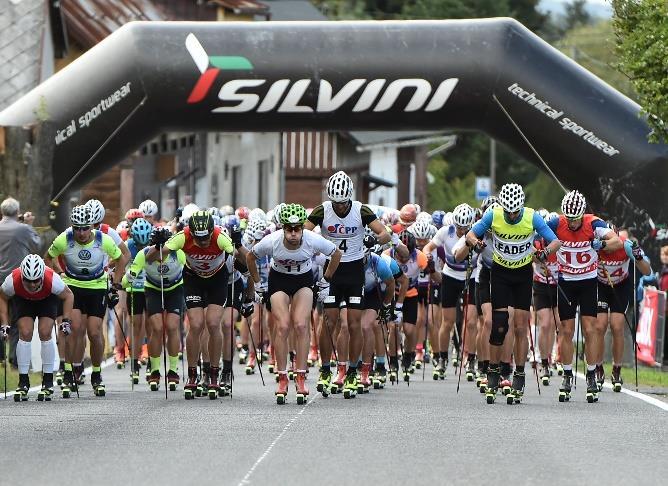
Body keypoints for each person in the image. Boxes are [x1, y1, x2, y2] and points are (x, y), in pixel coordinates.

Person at [466, 183, 561, 404]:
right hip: (500, 273)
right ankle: (493, 373)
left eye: (514, 211)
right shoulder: (493, 214)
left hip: (522, 274)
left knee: (520, 326)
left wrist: (544, 252)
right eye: (508, 211)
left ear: (521, 206)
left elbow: (556, 241)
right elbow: (471, 234)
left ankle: (519, 374)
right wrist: (477, 242)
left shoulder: (531, 217)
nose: (511, 215)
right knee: (499, 324)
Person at [304, 171, 392, 399]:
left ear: (349, 199)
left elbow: (385, 234)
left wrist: (374, 239)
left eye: (343, 204)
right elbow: (303, 233)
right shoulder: (322, 210)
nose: (340, 208)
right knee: (329, 321)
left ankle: (352, 371)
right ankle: (325, 369)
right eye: (336, 204)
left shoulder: (360, 210)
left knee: (354, 324)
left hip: (354, 271)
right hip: (331, 271)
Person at [247, 204, 341, 403]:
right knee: (282, 326)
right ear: (282, 228)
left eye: (297, 228)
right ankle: (282, 377)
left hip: (303, 279)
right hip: (278, 280)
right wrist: (257, 284)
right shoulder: (271, 241)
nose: (293, 233)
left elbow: (337, 254)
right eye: (288, 229)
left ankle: (300, 376)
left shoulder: (312, 239)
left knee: (300, 324)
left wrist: (326, 281)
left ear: (302, 228)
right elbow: (250, 256)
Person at [153, 210, 247, 399]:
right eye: (199, 239)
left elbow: (243, 257)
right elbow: (155, 258)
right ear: (192, 233)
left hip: (217, 280)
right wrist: (157, 245)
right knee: (196, 325)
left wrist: (239, 245)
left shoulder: (220, 237)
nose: (203, 243)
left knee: (213, 324)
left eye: (206, 239)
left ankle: (214, 372)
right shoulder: (183, 236)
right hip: (193, 278)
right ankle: (193, 374)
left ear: (212, 232)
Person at [547, 190, 621, 403]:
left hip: (588, 282)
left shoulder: (593, 223)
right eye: (569, 218)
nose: (571, 223)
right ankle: (568, 375)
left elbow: (616, 240)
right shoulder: (556, 223)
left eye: (575, 218)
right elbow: (536, 235)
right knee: (566, 330)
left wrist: (603, 244)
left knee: (591, 329)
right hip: (567, 282)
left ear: (583, 213)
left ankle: (591, 374)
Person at [45, 206, 126, 397]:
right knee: (73, 330)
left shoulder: (102, 240)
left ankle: (96, 375)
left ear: (91, 226)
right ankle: (68, 373)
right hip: (73, 288)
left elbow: (121, 259)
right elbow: (48, 258)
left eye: (85, 228)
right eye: (77, 228)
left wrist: (115, 284)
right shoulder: (65, 239)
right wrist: (59, 273)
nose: (81, 233)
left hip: (96, 287)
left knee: (94, 332)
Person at [0, 255, 74, 401]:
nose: (33, 285)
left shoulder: (51, 279)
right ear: (22, 277)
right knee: (25, 332)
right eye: (28, 281)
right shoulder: (13, 280)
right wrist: (4, 323)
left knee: (45, 332)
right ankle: (23, 382)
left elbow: (69, 296)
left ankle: (47, 381)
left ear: (41, 276)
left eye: (36, 281)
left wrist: (66, 320)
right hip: (23, 300)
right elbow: (2, 297)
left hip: (47, 299)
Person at [126, 226, 185, 392]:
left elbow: (189, 268)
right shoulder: (144, 254)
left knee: (173, 326)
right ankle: (154, 370)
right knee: (157, 328)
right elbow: (132, 272)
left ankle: (173, 370)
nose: (162, 251)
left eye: (165, 247)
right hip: (153, 289)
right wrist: (124, 281)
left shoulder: (176, 253)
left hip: (174, 289)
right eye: (158, 247)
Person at [595, 225, 651, 391]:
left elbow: (647, 271)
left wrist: (639, 257)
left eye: (614, 240)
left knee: (617, 325)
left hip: (620, 287)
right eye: (607, 241)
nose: (611, 245)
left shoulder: (625, 246)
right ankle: (598, 368)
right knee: (600, 325)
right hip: (601, 287)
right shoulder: (597, 247)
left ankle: (617, 369)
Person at [0, 197, 41, 365]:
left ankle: (0, 355)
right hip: (18, 280)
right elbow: (37, 245)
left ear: (2, 212)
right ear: (18, 212)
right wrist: (29, 224)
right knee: (18, 318)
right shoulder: (23, 229)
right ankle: (15, 358)